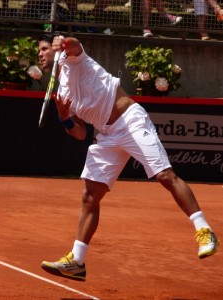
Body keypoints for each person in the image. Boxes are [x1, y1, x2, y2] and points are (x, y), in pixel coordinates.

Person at [41, 36, 220, 281]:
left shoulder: (73, 60)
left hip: (130, 120)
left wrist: (64, 41)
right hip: (107, 134)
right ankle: (77, 260)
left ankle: (204, 230)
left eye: (43, 49)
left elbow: (74, 44)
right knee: (90, 195)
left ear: (55, 51)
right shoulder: (61, 92)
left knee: (165, 175)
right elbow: (80, 133)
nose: (40, 54)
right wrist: (64, 117)